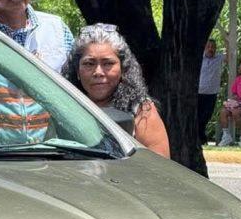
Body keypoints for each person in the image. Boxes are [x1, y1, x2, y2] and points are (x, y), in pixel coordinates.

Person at [62, 24, 170, 157]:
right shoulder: (63, 107)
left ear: (123, 69)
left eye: (108, 63)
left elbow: (159, 163)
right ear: (77, 71)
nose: (98, 72)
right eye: (89, 64)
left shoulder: (140, 109)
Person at [197, 34, 227, 144]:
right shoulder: (199, 58)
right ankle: (201, 138)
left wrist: (227, 41)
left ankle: (200, 136)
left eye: (213, 47)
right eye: (208, 46)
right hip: (199, 93)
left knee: (206, 116)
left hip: (211, 93)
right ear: (205, 48)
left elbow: (229, 57)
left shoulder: (218, 58)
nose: (211, 49)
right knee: (198, 116)